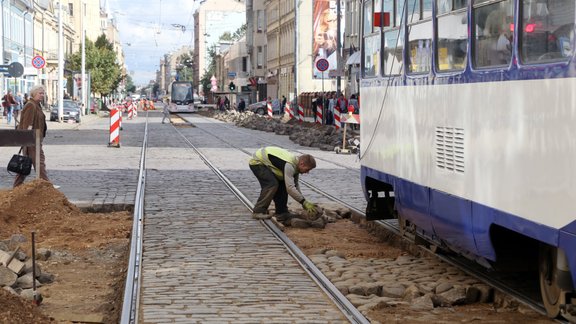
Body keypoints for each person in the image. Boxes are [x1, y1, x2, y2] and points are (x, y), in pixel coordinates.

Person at [249, 146, 318, 220]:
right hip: (258, 162)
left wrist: (304, 202)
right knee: (272, 184)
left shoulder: (296, 167)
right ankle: (258, 211)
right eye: (307, 169)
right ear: (302, 164)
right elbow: (290, 188)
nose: (307, 172)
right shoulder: (289, 165)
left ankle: (281, 212)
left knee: (283, 183)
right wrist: (304, 202)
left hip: (268, 163)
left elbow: (295, 186)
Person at [13, 85, 53, 188]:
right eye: (40, 93)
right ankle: (47, 187)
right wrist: (28, 141)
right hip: (32, 141)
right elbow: (27, 125)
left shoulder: (36, 105)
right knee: (39, 163)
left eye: (43, 93)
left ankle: (16, 187)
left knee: (24, 166)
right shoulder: (31, 105)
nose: (42, 95)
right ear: (34, 93)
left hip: (34, 140)